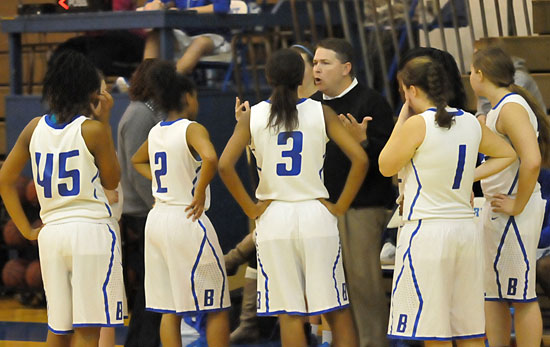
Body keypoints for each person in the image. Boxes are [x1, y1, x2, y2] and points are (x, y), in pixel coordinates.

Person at [218, 48, 365, 347]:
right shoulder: (321, 111)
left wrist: (251, 207)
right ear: (303, 77)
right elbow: (360, 159)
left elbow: (223, 165)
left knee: (289, 313)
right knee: (336, 308)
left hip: (274, 220)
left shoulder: (252, 115)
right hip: (315, 215)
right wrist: (340, 206)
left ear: (268, 77)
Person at [380, 56, 516, 345]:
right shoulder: (469, 121)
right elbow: (507, 154)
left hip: (427, 233)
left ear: (412, 90)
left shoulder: (417, 124)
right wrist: (469, 177)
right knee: (470, 331)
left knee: (435, 331)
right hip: (465, 232)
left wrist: (402, 120)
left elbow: (385, 165)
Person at [0, 50, 124, 347]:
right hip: (90, 233)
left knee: (58, 327)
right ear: (89, 93)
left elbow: (4, 180)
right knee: (87, 329)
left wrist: (27, 228)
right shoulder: (93, 130)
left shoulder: (33, 127)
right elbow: (112, 180)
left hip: (51, 234)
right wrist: (105, 122)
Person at [131, 61, 230, 347]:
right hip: (186, 218)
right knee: (217, 306)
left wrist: (163, 182)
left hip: (158, 220)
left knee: (170, 308)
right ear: (187, 97)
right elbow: (211, 158)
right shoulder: (191, 128)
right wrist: (199, 191)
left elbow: (137, 160)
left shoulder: (156, 131)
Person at [311, 37, 394, 347]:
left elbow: (389, 161)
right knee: (330, 284)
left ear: (346, 68)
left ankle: (373, 342)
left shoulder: (371, 103)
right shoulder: (312, 106)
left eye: (325, 63)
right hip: (321, 207)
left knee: (362, 284)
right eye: (315, 63)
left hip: (361, 207)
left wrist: (364, 143)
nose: (317, 69)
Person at [470, 47, 550, 346]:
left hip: (515, 209)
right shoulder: (497, 108)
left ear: (479, 74)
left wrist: (519, 202)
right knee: (493, 294)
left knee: (522, 295)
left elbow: (532, 160)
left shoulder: (512, 107)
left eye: (471, 71)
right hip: (498, 210)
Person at [117, 59, 163, 347]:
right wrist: (158, 206)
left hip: (147, 211)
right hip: (142, 213)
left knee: (155, 287)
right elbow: (136, 171)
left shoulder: (147, 111)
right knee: (151, 288)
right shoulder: (138, 115)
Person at [140, 0, 230, 74]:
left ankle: (171, 83)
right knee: (154, 35)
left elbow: (222, 7)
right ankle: (145, 84)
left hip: (213, 37)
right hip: (185, 35)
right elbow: (153, 4)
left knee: (200, 42)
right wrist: (155, 5)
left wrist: (185, 12)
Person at [473, 38, 547, 124]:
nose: (474, 61)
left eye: (477, 55)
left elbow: (501, 111)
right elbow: (485, 109)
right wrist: (480, 115)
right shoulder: (485, 81)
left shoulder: (518, 78)